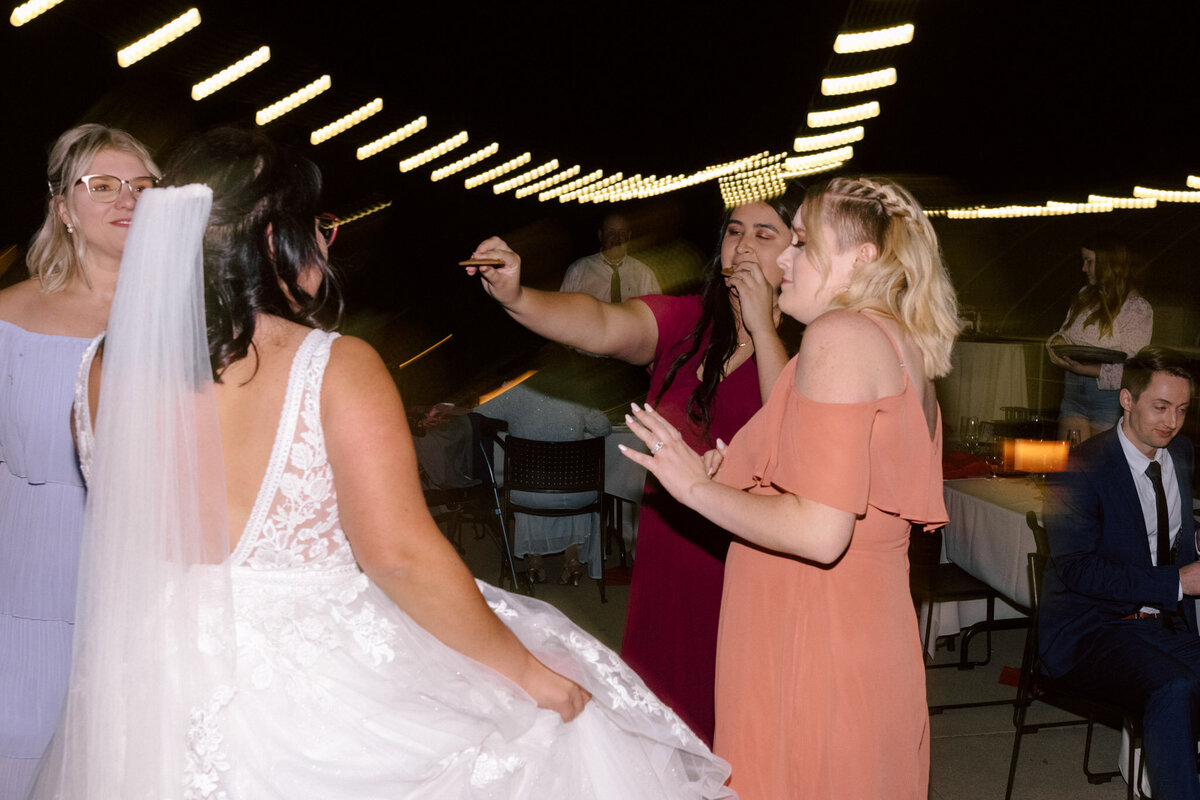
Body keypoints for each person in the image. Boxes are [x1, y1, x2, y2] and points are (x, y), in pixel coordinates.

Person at [32, 127, 732, 800]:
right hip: (304, 691)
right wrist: (526, 672)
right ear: (275, 239)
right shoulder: (333, 366)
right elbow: (398, 554)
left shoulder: (98, 370)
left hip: (151, 683)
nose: (327, 246)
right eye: (321, 227)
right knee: (553, 730)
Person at [619, 176, 960, 797]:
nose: (785, 259)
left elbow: (821, 531)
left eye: (801, 242)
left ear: (862, 258)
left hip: (811, 634)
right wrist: (735, 477)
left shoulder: (842, 336)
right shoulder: (898, 343)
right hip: (861, 631)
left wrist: (695, 489)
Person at [468, 194, 799, 745]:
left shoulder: (810, 344)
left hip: (750, 557)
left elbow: (792, 438)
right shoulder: (686, 324)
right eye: (734, 231)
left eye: (765, 234)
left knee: (745, 718)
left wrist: (765, 328)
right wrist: (519, 296)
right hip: (672, 547)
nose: (742, 244)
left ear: (797, 252)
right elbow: (599, 321)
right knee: (667, 716)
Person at [0, 124, 157, 797]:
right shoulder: (10, 317)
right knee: (26, 745)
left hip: (146, 578)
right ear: (63, 207)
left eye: (144, 187)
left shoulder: (193, 318)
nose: (128, 199)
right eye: (103, 185)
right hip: (27, 572)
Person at [1039, 346, 1198, 800]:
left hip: (1158, 623)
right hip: (1092, 628)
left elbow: (1162, 527)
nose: (1172, 421)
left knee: (1179, 687)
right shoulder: (1080, 468)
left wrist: (1195, 540)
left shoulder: (1180, 452)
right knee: (1175, 688)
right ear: (1127, 400)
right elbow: (1077, 569)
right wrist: (1178, 582)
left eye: (1183, 410)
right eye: (1161, 407)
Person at [1047, 234, 1153, 442]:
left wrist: (1085, 369)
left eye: (1089, 261)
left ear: (1110, 265)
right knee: (1072, 463)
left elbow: (1133, 369)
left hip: (1108, 399)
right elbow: (1065, 333)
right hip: (1073, 392)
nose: (1084, 268)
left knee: (1098, 466)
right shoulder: (1084, 295)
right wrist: (1058, 342)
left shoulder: (1137, 308)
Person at [560, 212, 660, 302]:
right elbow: (563, 309)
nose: (617, 238)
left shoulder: (644, 275)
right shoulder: (578, 271)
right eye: (611, 232)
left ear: (629, 237)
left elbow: (658, 314)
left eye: (622, 233)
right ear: (601, 235)